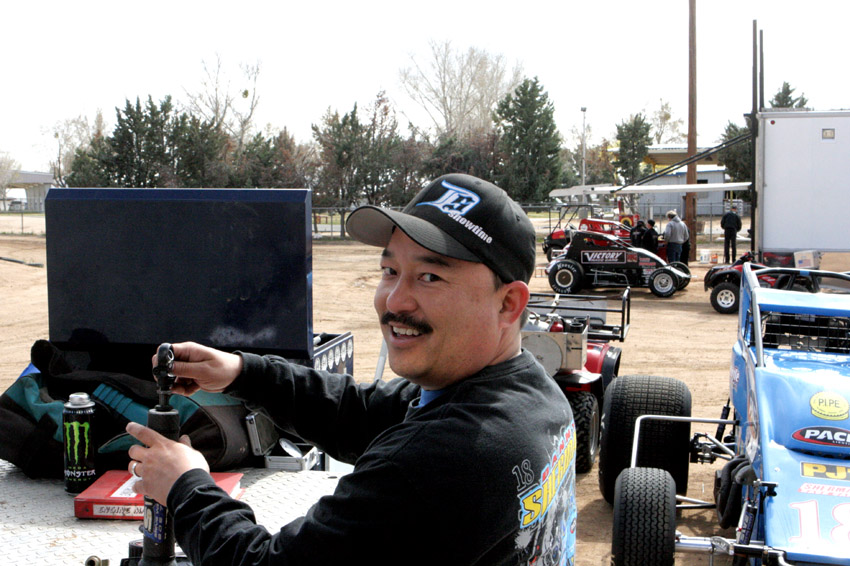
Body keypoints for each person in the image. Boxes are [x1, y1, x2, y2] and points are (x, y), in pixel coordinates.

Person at [125, 173, 577, 566]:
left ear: (508, 303)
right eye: (390, 270)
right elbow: (360, 412)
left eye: (430, 277)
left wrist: (185, 486)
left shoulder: (443, 459)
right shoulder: (529, 393)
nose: (394, 301)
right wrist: (243, 372)